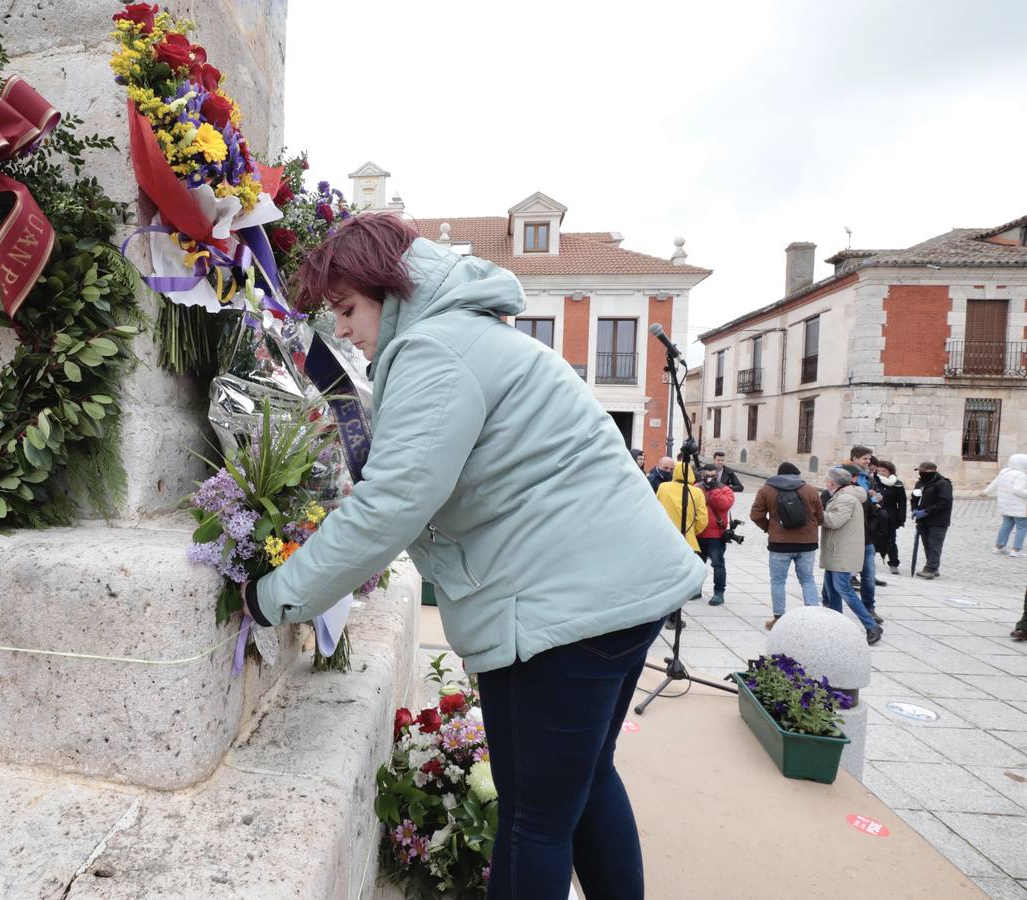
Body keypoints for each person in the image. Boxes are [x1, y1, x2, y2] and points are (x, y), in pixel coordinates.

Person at [242, 214, 705, 899]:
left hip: (564, 609)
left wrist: (274, 594)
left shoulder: (435, 348)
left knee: (534, 819)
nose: (340, 330)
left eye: (346, 309)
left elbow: (393, 506)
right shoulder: (464, 331)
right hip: (609, 590)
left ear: (387, 288)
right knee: (585, 783)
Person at [750, 461, 824, 630]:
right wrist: (810, 529)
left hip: (779, 543)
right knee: (807, 579)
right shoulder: (810, 489)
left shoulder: (766, 490)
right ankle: (813, 616)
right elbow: (820, 516)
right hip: (807, 543)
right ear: (797, 474)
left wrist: (769, 527)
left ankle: (778, 617)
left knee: (777, 581)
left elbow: (755, 515)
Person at [820, 467, 883, 644]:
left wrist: (816, 513)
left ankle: (871, 625)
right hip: (836, 549)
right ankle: (837, 627)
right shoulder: (843, 495)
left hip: (843, 551)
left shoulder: (846, 498)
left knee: (843, 589)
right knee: (832, 590)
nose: (825, 483)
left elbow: (834, 521)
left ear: (832, 483)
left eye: (826, 480)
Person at [840, 445, 885, 620]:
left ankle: (869, 608)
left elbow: (870, 504)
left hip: (867, 533)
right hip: (848, 534)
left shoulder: (868, 477)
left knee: (868, 573)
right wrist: (869, 497)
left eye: (869, 458)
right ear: (854, 459)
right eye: (865, 458)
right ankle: (830, 604)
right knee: (836, 574)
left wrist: (874, 501)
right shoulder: (842, 474)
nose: (868, 461)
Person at [696, 463, 736, 606]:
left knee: (718, 565)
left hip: (716, 535)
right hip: (698, 533)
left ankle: (719, 593)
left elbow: (724, 505)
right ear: (702, 475)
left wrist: (714, 490)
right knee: (697, 565)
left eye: (713, 476)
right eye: (707, 476)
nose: (710, 479)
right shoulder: (696, 488)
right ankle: (695, 589)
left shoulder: (725, 490)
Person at [912, 461, 954, 579]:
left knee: (935, 544)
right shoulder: (920, 483)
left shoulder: (943, 484)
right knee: (927, 544)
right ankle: (933, 566)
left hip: (938, 520)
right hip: (923, 520)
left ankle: (930, 569)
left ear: (932, 471)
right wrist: (914, 509)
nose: (920, 474)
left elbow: (944, 502)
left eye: (922, 471)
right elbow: (914, 497)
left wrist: (926, 511)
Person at [984, 453, 1027, 558]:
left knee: (1006, 525)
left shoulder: (1004, 472)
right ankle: (1016, 550)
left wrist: (985, 492)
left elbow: (995, 483)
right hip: (1019, 508)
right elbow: (1018, 490)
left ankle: (998, 547)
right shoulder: (1021, 475)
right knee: (1022, 527)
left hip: (1005, 506)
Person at [873, 460, 907, 574]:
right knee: (872, 539)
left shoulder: (897, 484)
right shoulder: (873, 482)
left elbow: (902, 502)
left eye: (884, 471)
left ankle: (893, 563)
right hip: (875, 515)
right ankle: (868, 562)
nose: (881, 473)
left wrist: (901, 519)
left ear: (890, 472)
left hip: (891, 517)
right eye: (879, 470)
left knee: (891, 540)